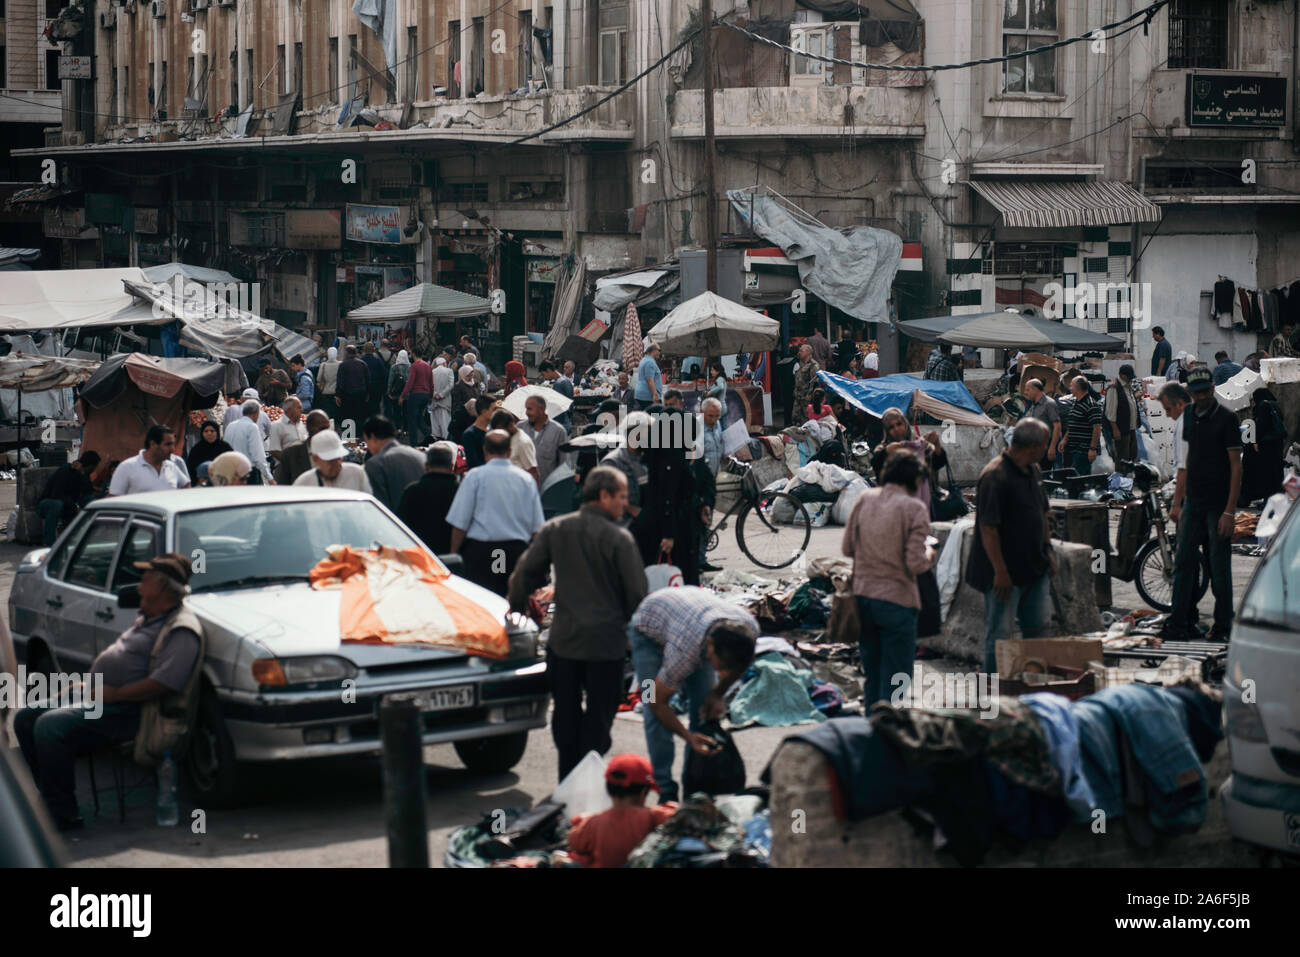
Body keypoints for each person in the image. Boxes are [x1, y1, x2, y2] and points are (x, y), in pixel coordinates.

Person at [15, 554, 202, 831]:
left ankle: (64, 814)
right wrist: (85, 688)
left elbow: (164, 684)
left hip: (130, 711)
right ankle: (51, 799)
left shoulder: (181, 629)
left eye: (146, 580)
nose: (139, 587)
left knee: (49, 726)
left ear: (163, 587)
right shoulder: (150, 617)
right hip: (102, 698)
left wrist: (114, 694)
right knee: (26, 717)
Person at [509, 467, 648, 780]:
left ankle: (567, 782)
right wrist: (630, 628)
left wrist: (519, 608)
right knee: (600, 717)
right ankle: (587, 775)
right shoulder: (619, 539)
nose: (625, 504)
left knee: (566, 716)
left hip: (564, 643)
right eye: (622, 497)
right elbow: (638, 594)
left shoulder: (556, 529)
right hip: (605, 646)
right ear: (604, 496)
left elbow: (523, 574)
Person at [627, 587, 758, 801]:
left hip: (689, 620)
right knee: (651, 704)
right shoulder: (683, 654)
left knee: (703, 712)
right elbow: (659, 704)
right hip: (646, 632)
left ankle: (694, 789)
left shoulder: (748, 630)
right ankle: (665, 789)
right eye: (721, 666)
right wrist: (688, 737)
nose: (723, 673)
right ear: (710, 647)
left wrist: (717, 694)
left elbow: (738, 667)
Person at [842, 451, 935, 705]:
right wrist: (929, 552)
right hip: (897, 602)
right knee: (897, 679)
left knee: (873, 674)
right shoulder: (915, 508)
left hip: (863, 599)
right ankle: (888, 730)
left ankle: (874, 730)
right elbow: (915, 563)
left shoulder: (865, 499)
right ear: (915, 479)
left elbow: (847, 548)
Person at [965, 418, 1056, 675]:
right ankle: (991, 695)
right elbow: (988, 528)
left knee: (1038, 628)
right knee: (1000, 634)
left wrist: (1048, 550)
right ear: (1033, 446)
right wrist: (1000, 571)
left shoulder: (1033, 470)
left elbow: (1043, 513)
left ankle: (1032, 685)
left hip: (1034, 567)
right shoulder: (995, 476)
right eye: (1045, 444)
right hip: (1002, 573)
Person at [1163, 368, 1242, 643]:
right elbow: (1188, 461)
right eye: (1195, 392)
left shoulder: (1227, 419)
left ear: (1212, 389)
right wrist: (1180, 501)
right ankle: (1180, 622)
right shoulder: (1188, 416)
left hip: (1217, 505)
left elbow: (1236, 466)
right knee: (1183, 564)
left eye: (1204, 391)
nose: (1200, 396)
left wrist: (1229, 511)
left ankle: (1222, 627)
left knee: (1219, 568)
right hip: (1193, 503)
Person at [446, 430, 545, 595]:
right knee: (514, 602)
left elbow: (460, 523)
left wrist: (454, 553)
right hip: (515, 551)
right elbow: (537, 527)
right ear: (510, 451)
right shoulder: (525, 480)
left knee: (485, 601)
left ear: (484, 450)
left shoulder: (474, 477)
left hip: (481, 552)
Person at [566, 754, 677, 868]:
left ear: (608, 789)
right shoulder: (655, 816)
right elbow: (682, 819)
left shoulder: (592, 824)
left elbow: (574, 841)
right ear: (644, 791)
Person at [637, 410, 701, 585]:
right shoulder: (671, 455)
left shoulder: (661, 451)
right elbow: (667, 495)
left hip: (664, 522)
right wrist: (668, 534)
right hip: (672, 526)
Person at [397, 443, 459, 554]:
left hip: (421, 555)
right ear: (451, 467)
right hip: (453, 555)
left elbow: (401, 526)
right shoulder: (460, 491)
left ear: (426, 466)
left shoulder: (412, 491)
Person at [362, 415, 427, 512]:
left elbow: (380, 509)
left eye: (367, 442)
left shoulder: (375, 464)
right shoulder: (421, 456)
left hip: (395, 523)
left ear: (372, 437)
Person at [37, 451, 100, 546]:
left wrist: (81, 474)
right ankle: (49, 543)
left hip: (68, 505)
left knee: (90, 500)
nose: (95, 470)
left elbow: (88, 491)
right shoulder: (65, 470)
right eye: (94, 467)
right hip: (47, 504)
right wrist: (75, 507)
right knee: (56, 504)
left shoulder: (83, 474)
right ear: (90, 466)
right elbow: (56, 494)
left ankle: (89, 538)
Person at [602, 411, 651, 531]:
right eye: (649, 434)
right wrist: (631, 509)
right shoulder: (613, 462)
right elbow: (605, 498)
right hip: (621, 529)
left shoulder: (647, 458)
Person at [109, 425, 191, 495]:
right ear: (153, 444)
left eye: (173, 444)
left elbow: (186, 485)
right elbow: (113, 499)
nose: (172, 449)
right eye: (168, 444)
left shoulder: (171, 467)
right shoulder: (127, 467)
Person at [1242, 387, 1286, 503]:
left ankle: (1267, 499)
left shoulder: (1264, 406)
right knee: (1275, 471)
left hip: (1267, 444)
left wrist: (1255, 441)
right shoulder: (1275, 404)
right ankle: (1276, 497)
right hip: (1277, 443)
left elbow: (1261, 425)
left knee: (1266, 472)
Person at [294, 430, 373, 491]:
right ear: (316, 459)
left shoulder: (357, 474)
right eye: (330, 460)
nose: (336, 463)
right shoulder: (304, 483)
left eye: (338, 458)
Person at [274, 409, 332, 486]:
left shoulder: (334, 452)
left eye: (328, 428)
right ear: (309, 428)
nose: (326, 432)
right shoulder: (291, 454)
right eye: (322, 428)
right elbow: (282, 486)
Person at [520, 394, 569, 484]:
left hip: (547, 488)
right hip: (523, 488)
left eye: (529, 409)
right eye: (526, 408)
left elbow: (563, 464)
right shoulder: (520, 428)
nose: (526, 412)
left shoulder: (558, 431)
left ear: (541, 409)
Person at [224, 400, 274, 485]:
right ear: (256, 413)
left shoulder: (230, 426)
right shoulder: (252, 427)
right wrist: (269, 477)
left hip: (232, 472)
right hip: (248, 473)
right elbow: (258, 455)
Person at [1063, 375, 1103, 476]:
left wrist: (1092, 449)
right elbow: (1072, 423)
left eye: (1071, 385)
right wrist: (1064, 439)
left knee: (1078, 479)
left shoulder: (1091, 405)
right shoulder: (1076, 402)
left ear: (1078, 388)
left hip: (1083, 450)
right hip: (1073, 448)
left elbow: (1097, 428)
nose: (1070, 388)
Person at [491, 408, 540, 484]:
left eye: (501, 430)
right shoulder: (508, 438)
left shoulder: (523, 442)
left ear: (510, 426)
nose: (500, 434)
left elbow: (533, 472)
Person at [1103, 364, 1139, 464]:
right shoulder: (1114, 388)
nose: (1130, 379)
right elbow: (1110, 412)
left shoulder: (1128, 386)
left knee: (1132, 456)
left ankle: (1129, 478)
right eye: (1128, 377)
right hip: (1121, 430)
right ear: (1122, 375)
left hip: (1131, 428)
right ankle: (1122, 478)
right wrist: (1115, 429)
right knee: (1122, 459)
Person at [1023, 379, 1062, 471]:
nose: (1025, 392)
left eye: (1028, 390)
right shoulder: (1033, 405)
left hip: (1046, 446)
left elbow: (1057, 426)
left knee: (1045, 475)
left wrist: (1052, 448)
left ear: (1035, 390)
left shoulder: (1049, 404)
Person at [398, 350, 433, 446]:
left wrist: (402, 395)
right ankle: (428, 435)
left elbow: (410, 382)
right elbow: (431, 382)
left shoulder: (414, 366)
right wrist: (430, 396)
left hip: (415, 395)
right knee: (419, 418)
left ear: (413, 354)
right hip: (425, 395)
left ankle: (413, 443)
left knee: (412, 420)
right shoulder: (428, 366)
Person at [336, 344, 371, 432]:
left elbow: (340, 381)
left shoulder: (343, 365)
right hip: (360, 394)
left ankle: (348, 437)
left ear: (347, 353)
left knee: (347, 416)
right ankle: (359, 435)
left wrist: (338, 395)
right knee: (359, 415)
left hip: (346, 395)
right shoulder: (363, 364)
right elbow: (368, 380)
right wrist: (367, 393)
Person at [267, 396, 308, 463]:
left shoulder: (300, 425)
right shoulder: (277, 426)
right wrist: (290, 463)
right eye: (299, 408)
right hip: (285, 468)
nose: (301, 410)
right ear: (289, 410)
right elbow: (273, 450)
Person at [461, 396, 496, 470]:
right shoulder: (470, 434)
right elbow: (473, 463)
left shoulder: (493, 430)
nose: (496, 413)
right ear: (484, 411)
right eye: (494, 409)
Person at [539, 360, 574, 430]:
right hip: (567, 421)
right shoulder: (566, 380)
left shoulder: (558, 384)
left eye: (543, 374)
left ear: (548, 370)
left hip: (561, 423)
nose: (544, 378)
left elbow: (556, 407)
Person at [449, 364, 481, 439]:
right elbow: (456, 402)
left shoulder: (475, 383)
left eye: (471, 375)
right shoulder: (458, 386)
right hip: (465, 414)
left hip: (475, 413)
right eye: (468, 376)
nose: (470, 378)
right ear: (463, 375)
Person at [791, 343, 821, 423]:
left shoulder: (814, 365)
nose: (799, 353)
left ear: (808, 353)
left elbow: (814, 381)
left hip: (807, 399)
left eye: (801, 351)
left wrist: (809, 395)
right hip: (798, 397)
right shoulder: (800, 363)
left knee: (807, 420)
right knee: (795, 418)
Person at [360, 341, 389, 417]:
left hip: (364, 388)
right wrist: (384, 388)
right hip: (377, 388)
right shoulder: (378, 360)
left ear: (364, 350)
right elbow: (384, 374)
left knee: (365, 408)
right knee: (376, 408)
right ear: (373, 349)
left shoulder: (361, 360)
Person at [430, 356, 455, 441]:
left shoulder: (432, 372)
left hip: (434, 402)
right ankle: (446, 441)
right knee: (446, 424)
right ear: (444, 363)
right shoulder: (449, 371)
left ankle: (436, 441)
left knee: (435, 424)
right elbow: (451, 385)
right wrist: (442, 394)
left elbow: (429, 386)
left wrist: (435, 394)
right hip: (445, 401)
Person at [385, 349, 410, 425]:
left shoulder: (394, 367)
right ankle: (406, 429)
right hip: (407, 393)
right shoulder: (410, 366)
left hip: (396, 393)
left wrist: (389, 392)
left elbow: (390, 381)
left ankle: (398, 428)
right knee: (406, 411)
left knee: (396, 411)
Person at [634, 343, 663, 409]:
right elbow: (650, 380)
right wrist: (655, 394)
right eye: (659, 350)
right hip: (648, 396)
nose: (660, 353)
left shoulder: (644, 360)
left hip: (641, 394)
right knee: (654, 417)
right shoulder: (650, 362)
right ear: (654, 350)